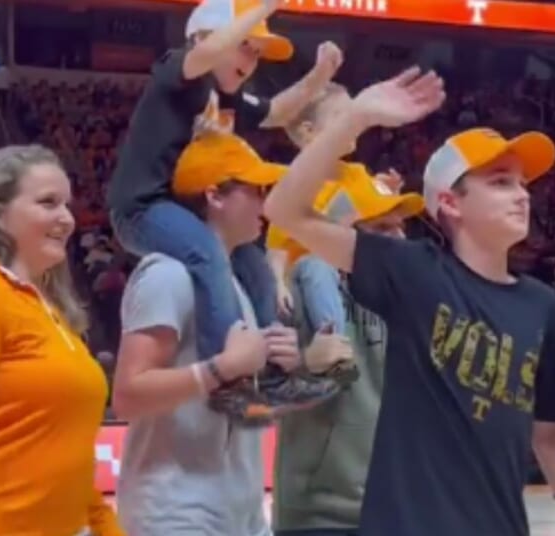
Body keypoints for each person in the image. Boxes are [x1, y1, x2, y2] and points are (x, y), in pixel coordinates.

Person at [265, 67, 555, 536]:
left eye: (523, 184)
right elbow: (284, 211)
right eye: (501, 182)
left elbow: (553, 442)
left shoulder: (541, 305)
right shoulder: (414, 270)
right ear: (451, 203)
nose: (522, 196)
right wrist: (353, 120)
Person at [106, 0, 344, 422]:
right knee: (207, 251)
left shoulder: (227, 98)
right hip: (142, 207)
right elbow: (208, 52)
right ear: (204, 39)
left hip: (184, 211)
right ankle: (228, 378)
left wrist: (320, 75)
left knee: (253, 263)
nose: (251, 60)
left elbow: (276, 113)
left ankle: (272, 376)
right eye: (245, 46)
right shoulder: (177, 73)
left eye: (256, 53)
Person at [113, 134, 350, 534]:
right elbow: (127, 397)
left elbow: (239, 410)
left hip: (242, 510)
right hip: (175, 511)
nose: (265, 202)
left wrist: (295, 372)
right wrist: (221, 367)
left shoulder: (236, 288)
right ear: (215, 196)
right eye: (256, 190)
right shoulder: (166, 273)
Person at [0, 145, 122, 535]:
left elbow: (69, 456)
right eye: (48, 203)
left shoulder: (54, 312)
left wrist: (105, 527)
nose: (67, 219)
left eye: (67, 205)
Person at [273, 177, 425, 536]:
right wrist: (309, 364)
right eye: (383, 228)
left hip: (398, 507)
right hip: (322, 516)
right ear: (344, 235)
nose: (401, 239)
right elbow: (259, 399)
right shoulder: (306, 282)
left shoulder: (410, 294)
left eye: (401, 227)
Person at [267, 82, 403, 384]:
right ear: (308, 132)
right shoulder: (295, 189)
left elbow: (383, 211)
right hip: (306, 283)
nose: (354, 121)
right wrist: (277, 282)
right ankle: (334, 346)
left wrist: (388, 191)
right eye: (343, 116)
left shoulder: (357, 175)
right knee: (316, 264)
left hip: (351, 274)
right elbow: (276, 246)